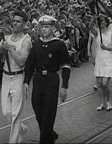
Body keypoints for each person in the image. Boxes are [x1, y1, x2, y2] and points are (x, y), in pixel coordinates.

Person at [23, 15, 70, 144]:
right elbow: (30, 64)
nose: (44, 29)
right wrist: (26, 82)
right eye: (42, 27)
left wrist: (64, 86)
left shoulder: (59, 44)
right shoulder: (36, 44)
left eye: (47, 27)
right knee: (37, 108)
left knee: (49, 112)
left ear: (53, 28)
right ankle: (50, 134)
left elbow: (66, 66)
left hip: (52, 80)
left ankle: (45, 140)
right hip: (38, 80)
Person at [0, 10, 32, 143]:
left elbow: (21, 62)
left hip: (18, 78)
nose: (15, 23)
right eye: (13, 21)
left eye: (18, 21)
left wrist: (10, 48)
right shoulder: (7, 38)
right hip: (5, 77)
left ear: (24, 24)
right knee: (6, 112)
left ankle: (13, 141)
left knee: (16, 115)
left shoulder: (26, 40)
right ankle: (21, 128)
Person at [89, 14, 112, 111]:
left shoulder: (111, 33)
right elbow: (89, 26)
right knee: (99, 84)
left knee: (105, 83)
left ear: (106, 22)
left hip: (108, 60)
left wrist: (106, 47)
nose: (100, 23)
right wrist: (94, 18)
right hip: (99, 60)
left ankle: (108, 102)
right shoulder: (97, 33)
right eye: (99, 21)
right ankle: (102, 103)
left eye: (102, 21)